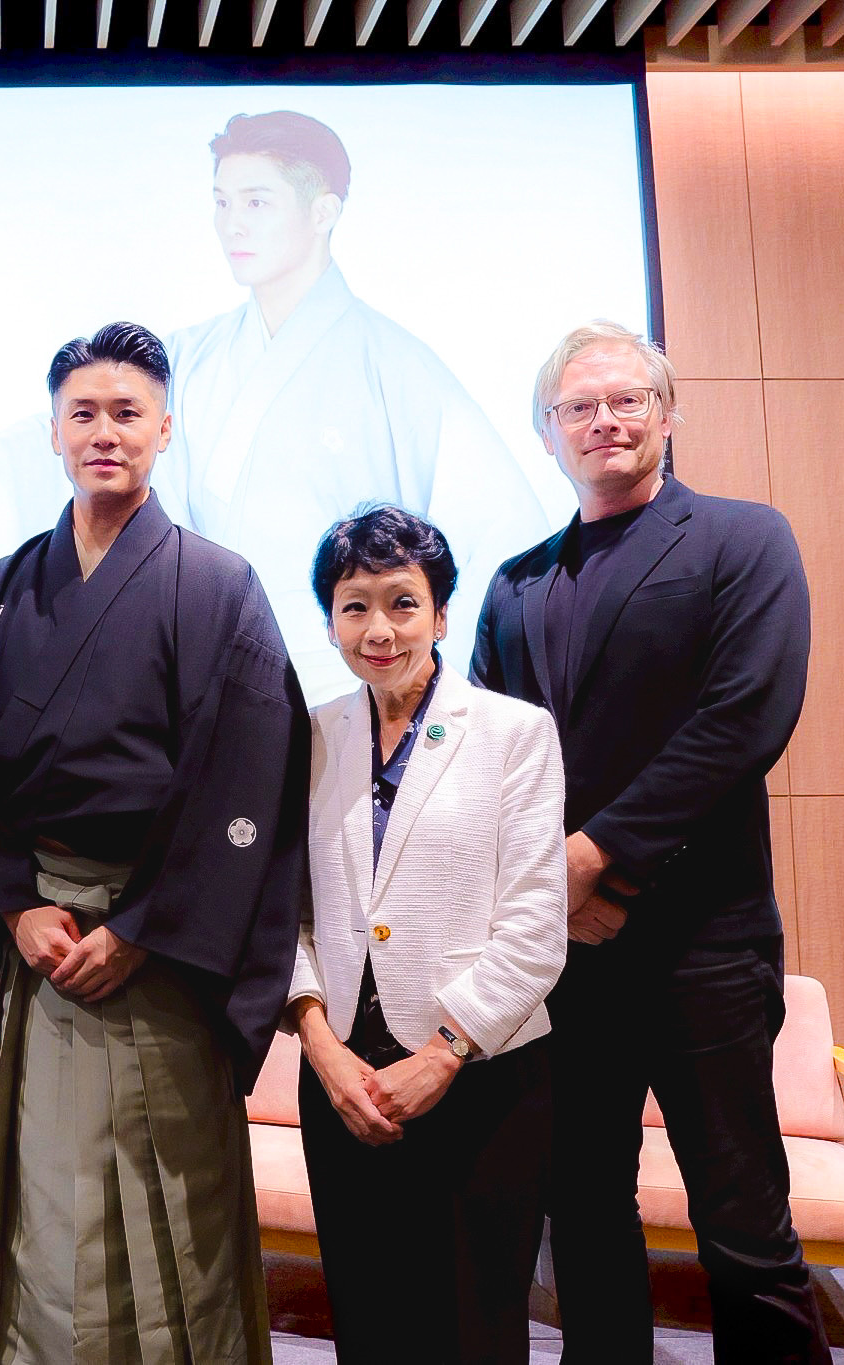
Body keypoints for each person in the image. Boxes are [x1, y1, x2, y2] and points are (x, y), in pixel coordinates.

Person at [0, 322, 309, 1364]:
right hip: (45, 945)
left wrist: (143, 929)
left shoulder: (215, 586)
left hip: (168, 951)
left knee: (175, 1193)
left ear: (164, 429)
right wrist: (13, 905)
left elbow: (248, 781)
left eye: (126, 413)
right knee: (54, 1208)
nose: (104, 432)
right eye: (82, 413)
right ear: (51, 431)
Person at [472, 321, 830, 1363]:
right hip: (566, 956)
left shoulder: (741, 539)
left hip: (703, 943)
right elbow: (498, 760)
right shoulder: (513, 583)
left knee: (741, 1223)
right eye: (577, 408)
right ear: (547, 436)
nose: (604, 421)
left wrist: (593, 859)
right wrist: (561, 890)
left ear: (664, 415)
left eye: (625, 399)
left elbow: (741, 719)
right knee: (579, 1205)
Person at [0, 110, 549, 700]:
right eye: (222, 202)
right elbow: (99, 423)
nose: (233, 225)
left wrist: (423, 676)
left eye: (257, 202)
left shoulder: (396, 367)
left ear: (323, 211)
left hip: (350, 673)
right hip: (197, 666)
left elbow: (500, 529)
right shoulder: (192, 355)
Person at [286, 505, 567, 1363]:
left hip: (480, 1072)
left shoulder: (515, 733)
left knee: (473, 1323)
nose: (379, 629)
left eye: (403, 603)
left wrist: (444, 1051)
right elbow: (284, 914)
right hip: (341, 1076)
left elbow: (534, 927)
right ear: (330, 619)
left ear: (442, 615)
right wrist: (322, 1047)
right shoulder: (312, 734)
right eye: (354, 605)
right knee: (367, 1316)